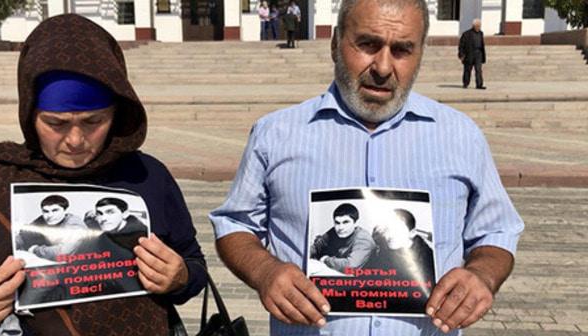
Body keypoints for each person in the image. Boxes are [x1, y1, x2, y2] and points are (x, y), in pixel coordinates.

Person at [210, 0, 524, 334]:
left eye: (402, 50)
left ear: (421, 52)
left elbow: (495, 230)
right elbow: (235, 224)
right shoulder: (275, 135)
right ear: (335, 43)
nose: (384, 67)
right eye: (368, 45)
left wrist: (482, 275)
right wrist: (264, 271)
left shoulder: (460, 135)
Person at [0, 14, 207, 335]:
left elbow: (193, 263)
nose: (75, 140)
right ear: (30, 114)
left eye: (94, 122)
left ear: (117, 112)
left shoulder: (147, 177)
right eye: (56, 123)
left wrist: (180, 277)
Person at [370, 209, 435, 284]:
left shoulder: (427, 259)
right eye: (387, 229)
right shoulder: (381, 250)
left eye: (398, 230)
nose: (390, 235)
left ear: (412, 233)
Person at [15, 195, 87, 261]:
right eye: (46, 211)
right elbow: (23, 235)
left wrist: (35, 250)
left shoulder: (75, 224)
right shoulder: (43, 219)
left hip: (82, 265)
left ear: (65, 210)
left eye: (55, 210)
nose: (50, 215)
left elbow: (63, 252)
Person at [309, 203, 375, 272]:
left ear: (355, 223)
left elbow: (351, 266)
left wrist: (326, 260)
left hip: (364, 279)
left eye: (346, 222)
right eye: (337, 223)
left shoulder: (363, 239)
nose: (340, 228)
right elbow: (316, 247)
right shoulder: (334, 231)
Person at [459, 18, 487, 89]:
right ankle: (465, 83)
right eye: (477, 26)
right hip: (469, 54)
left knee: (478, 70)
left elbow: (482, 44)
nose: (478, 27)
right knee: (467, 70)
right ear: (473, 26)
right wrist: (461, 54)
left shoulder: (481, 33)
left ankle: (479, 84)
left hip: (478, 54)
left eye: (479, 26)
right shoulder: (466, 34)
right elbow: (461, 45)